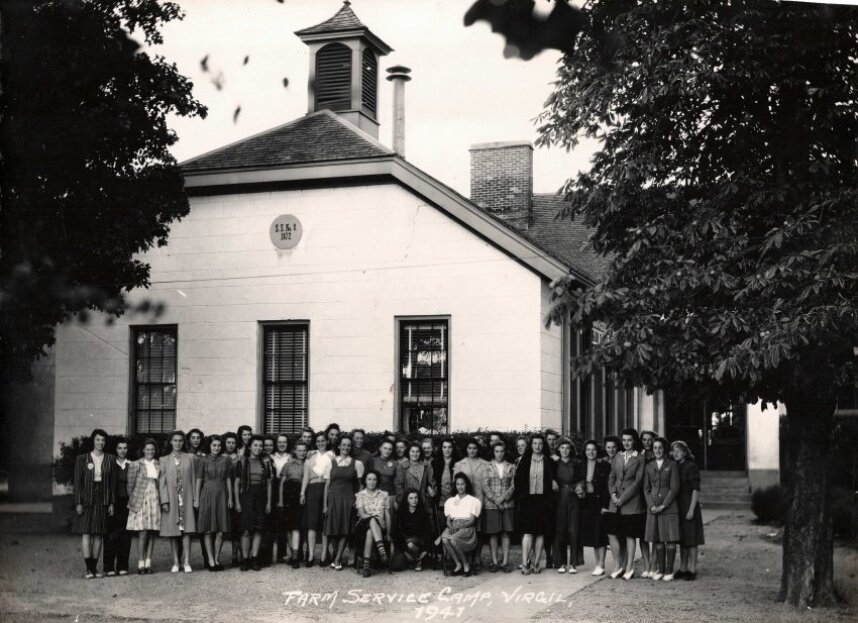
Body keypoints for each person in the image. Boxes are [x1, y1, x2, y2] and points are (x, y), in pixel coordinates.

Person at [73, 429, 116, 579]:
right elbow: (78, 483)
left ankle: (94, 567)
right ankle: (89, 568)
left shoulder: (110, 459)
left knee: (98, 534)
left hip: (102, 499)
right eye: (98, 440)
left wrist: (111, 503)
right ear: (93, 440)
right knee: (86, 533)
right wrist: (78, 502)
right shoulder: (82, 459)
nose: (100, 443)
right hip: (86, 499)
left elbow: (112, 484)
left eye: (103, 440)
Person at [514, 433, 556, 575]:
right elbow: (517, 481)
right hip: (528, 501)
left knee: (540, 533)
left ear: (543, 446)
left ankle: (537, 562)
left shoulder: (549, 461)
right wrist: (522, 497)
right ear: (531, 445)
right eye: (535, 443)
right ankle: (525, 562)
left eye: (540, 444)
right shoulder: (525, 460)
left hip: (544, 501)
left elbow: (553, 481)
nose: (537, 446)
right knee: (527, 532)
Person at [608, 428, 646, 580]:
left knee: (630, 535)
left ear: (634, 441)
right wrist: (613, 495)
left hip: (631, 503)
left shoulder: (640, 458)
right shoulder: (618, 456)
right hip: (615, 502)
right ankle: (618, 565)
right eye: (624, 440)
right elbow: (612, 478)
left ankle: (629, 566)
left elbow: (637, 483)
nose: (626, 443)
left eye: (629, 440)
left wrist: (622, 499)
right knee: (613, 533)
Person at [324, 435, 365, 570]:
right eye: (344, 445)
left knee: (345, 530)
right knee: (333, 530)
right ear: (339, 446)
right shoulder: (331, 462)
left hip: (348, 500)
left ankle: (337, 559)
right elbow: (327, 485)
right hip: (334, 499)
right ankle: (338, 555)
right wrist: (325, 504)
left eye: (348, 445)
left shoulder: (357, 464)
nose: (346, 447)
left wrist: (358, 500)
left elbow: (360, 486)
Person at [159, 430, 198, 573]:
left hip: (186, 498)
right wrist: (164, 501)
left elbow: (194, 479)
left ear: (184, 442)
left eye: (180, 441)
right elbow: (161, 482)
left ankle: (187, 561)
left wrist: (195, 499)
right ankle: (176, 561)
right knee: (173, 532)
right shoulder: (164, 460)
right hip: (171, 500)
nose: (178, 443)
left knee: (187, 531)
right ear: (170, 442)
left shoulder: (190, 457)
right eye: (175, 440)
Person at [644, 437, 681, 581]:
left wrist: (663, 505)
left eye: (660, 447)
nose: (657, 450)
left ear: (664, 449)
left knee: (670, 539)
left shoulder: (672, 465)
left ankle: (669, 571)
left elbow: (674, 488)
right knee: (657, 539)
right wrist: (652, 505)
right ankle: (660, 569)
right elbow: (646, 489)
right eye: (655, 448)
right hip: (653, 507)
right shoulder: (649, 466)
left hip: (669, 507)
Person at [235, 435, 273, 571]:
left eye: (260, 446)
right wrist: (237, 502)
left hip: (260, 497)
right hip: (246, 496)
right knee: (246, 530)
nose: (258, 448)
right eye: (255, 445)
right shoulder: (243, 462)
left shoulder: (265, 462)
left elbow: (268, 484)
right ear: (250, 446)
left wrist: (268, 502)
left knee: (258, 529)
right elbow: (237, 483)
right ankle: (245, 559)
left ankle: (255, 558)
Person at [195, 435, 232, 572]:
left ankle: (217, 559)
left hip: (222, 494)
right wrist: (196, 499)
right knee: (208, 530)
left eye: (219, 445)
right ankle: (210, 560)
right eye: (214, 445)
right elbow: (199, 480)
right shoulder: (202, 460)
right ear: (209, 446)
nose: (217, 448)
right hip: (207, 494)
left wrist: (231, 498)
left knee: (221, 531)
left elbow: (228, 479)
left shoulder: (225, 460)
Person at [454, 438, 490, 570]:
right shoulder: (459, 464)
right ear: (466, 449)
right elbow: (456, 484)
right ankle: (467, 557)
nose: (472, 451)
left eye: (474, 448)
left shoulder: (485, 464)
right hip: (465, 501)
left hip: (480, 501)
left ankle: (477, 557)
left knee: (479, 530)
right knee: (466, 529)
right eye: (469, 448)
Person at [126, 438, 160, 574]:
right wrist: (134, 501)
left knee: (152, 532)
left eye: (152, 449)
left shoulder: (158, 464)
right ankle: (140, 564)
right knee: (143, 532)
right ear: (143, 450)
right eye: (148, 449)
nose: (150, 452)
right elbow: (130, 485)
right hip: (141, 500)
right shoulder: (136, 464)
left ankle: (148, 563)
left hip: (154, 499)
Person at [671, 440, 704, 581]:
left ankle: (692, 569)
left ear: (685, 452)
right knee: (682, 540)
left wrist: (691, 509)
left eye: (679, 450)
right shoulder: (675, 466)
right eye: (674, 451)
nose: (676, 453)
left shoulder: (691, 466)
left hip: (689, 505)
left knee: (692, 539)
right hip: (678, 506)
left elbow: (695, 490)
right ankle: (683, 568)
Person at [481, 441, 515, 572]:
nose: (499, 454)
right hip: (491, 505)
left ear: (504, 452)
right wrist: (496, 499)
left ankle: (505, 562)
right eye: (497, 451)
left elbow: (514, 485)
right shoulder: (487, 466)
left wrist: (503, 498)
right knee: (493, 534)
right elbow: (485, 485)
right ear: (493, 452)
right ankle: (495, 562)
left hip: (507, 504)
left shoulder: (511, 467)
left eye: (501, 451)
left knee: (506, 534)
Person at [578, 440, 611, 575]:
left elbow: (607, 487)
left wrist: (605, 505)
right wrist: (579, 489)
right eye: (588, 450)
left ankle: (601, 564)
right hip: (587, 502)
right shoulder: (581, 465)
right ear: (585, 452)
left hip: (599, 501)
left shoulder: (604, 466)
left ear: (597, 451)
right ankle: (598, 563)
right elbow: (578, 482)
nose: (591, 452)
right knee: (593, 534)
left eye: (593, 450)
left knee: (600, 534)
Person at [440, 473, 482, 577]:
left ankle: (466, 564)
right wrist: (450, 526)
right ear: (455, 486)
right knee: (444, 538)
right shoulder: (450, 501)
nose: (460, 487)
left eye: (462, 484)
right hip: (454, 525)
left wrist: (459, 526)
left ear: (466, 485)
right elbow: (448, 520)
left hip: (466, 526)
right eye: (458, 484)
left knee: (453, 539)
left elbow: (472, 521)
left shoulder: (473, 501)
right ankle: (458, 564)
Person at [554, 437, 584, 574]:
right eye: (562, 448)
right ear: (558, 449)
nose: (565, 450)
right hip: (559, 498)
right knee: (561, 530)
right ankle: (561, 563)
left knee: (574, 530)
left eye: (567, 448)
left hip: (573, 498)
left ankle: (573, 563)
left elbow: (580, 480)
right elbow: (551, 480)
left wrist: (579, 486)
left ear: (570, 449)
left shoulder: (576, 463)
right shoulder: (554, 464)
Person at [354, 470, 391, 577]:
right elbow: (361, 514)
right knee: (371, 521)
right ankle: (382, 550)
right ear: (365, 481)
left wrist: (388, 533)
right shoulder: (360, 495)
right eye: (369, 479)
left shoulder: (383, 495)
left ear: (377, 481)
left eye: (374, 479)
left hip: (379, 528)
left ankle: (366, 566)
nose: (372, 482)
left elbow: (387, 515)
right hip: (362, 526)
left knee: (370, 531)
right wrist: (376, 518)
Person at [301, 432, 330, 567]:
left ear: (327, 442)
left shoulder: (332, 456)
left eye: (323, 441)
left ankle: (324, 555)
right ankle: (311, 555)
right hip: (312, 489)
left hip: (326, 489)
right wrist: (302, 493)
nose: (320, 443)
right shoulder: (310, 456)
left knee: (325, 523)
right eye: (318, 441)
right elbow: (306, 476)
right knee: (311, 524)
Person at [104, 437, 132, 577]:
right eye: (120, 448)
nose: (122, 451)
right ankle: (109, 566)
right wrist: (110, 502)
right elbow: (107, 486)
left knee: (126, 535)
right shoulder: (110, 464)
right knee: (111, 534)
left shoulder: (131, 464)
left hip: (127, 503)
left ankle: (122, 566)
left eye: (125, 448)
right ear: (115, 449)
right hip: (113, 503)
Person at [280, 440, 307, 568]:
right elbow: (281, 483)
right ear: (295, 451)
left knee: (297, 526)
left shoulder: (308, 464)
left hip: (301, 495)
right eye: (299, 450)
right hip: (288, 496)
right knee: (288, 527)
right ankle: (293, 552)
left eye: (304, 450)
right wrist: (280, 500)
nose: (302, 453)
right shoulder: (288, 464)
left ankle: (296, 556)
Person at [267, 434, 292, 565]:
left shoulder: (290, 457)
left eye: (284, 442)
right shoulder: (271, 456)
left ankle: (282, 554)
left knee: (283, 522)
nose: (282, 444)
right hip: (273, 487)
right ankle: (268, 555)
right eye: (280, 442)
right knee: (271, 522)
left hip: (287, 488)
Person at [395, 488, 434, 572]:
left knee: (411, 544)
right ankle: (415, 558)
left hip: (419, 542)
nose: (414, 500)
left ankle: (417, 560)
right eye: (411, 498)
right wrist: (404, 551)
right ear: (407, 499)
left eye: (416, 497)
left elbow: (428, 532)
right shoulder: (402, 512)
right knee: (397, 565)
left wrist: (426, 550)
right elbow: (396, 532)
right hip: (405, 543)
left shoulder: (422, 512)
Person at [222, 431, 242, 567]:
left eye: (233, 442)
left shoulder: (239, 457)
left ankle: (236, 555)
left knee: (237, 526)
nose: (231, 445)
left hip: (237, 493)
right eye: (228, 442)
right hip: (221, 493)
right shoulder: (221, 456)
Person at [639, 429, 657, 576]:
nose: (647, 442)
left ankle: (654, 565)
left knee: (655, 533)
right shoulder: (639, 455)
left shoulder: (658, 455)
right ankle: (646, 564)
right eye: (644, 439)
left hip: (654, 496)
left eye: (649, 439)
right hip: (640, 497)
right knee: (643, 533)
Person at [395, 442, 432, 511]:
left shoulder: (426, 466)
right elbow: (399, 486)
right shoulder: (402, 466)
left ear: (420, 453)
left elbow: (430, 482)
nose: (415, 454)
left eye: (417, 451)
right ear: (408, 452)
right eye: (412, 451)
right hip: (408, 503)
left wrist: (428, 494)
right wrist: (404, 501)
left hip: (423, 502)